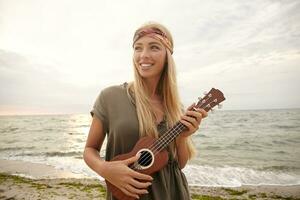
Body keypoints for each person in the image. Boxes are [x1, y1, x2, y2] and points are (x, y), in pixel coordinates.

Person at [83, 22, 207, 200]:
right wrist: (104, 169)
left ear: (167, 56)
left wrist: (183, 137)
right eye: (137, 48)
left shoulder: (175, 107)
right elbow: (89, 149)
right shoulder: (110, 97)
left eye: (154, 47)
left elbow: (179, 165)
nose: (143, 55)